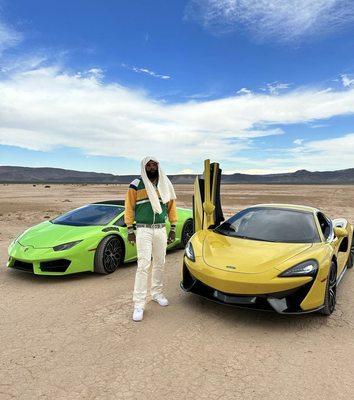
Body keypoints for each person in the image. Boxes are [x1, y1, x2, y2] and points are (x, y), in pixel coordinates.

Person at [124, 156, 177, 322]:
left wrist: (173, 228)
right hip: (143, 230)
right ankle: (139, 304)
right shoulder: (136, 184)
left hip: (160, 229)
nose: (152, 167)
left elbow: (171, 207)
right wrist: (129, 229)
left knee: (160, 262)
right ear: (144, 167)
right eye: (149, 165)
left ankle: (156, 293)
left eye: (155, 164)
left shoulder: (165, 184)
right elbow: (129, 207)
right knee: (143, 265)